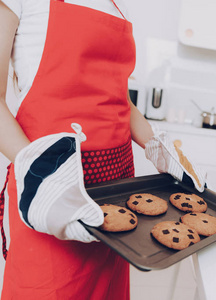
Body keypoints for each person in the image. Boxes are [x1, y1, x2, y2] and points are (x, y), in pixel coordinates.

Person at [0, 0, 205, 298]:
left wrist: (159, 147)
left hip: (116, 194)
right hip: (52, 196)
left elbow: (122, 101)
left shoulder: (116, 7)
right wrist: (44, 181)